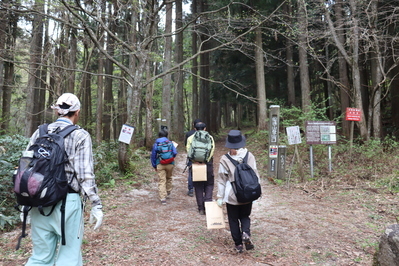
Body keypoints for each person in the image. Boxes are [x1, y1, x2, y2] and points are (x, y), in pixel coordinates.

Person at [25, 93, 103, 265]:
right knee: (69, 257)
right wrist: (96, 204)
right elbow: (85, 175)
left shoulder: (39, 132)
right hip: (68, 203)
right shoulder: (80, 135)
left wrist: (25, 201)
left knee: (39, 258)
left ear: (57, 112)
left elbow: (26, 166)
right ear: (77, 112)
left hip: (39, 201)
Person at [217, 130, 259, 253]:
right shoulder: (250, 156)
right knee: (245, 216)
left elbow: (222, 179)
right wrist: (256, 192)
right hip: (248, 192)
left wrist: (220, 196)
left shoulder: (225, 159)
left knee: (233, 219)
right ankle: (245, 233)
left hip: (232, 195)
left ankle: (238, 245)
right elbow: (255, 174)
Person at [186, 122, 215, 215]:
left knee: (198, 185)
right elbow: (212, 149)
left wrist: (195, 160)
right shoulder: (210, 138)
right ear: (205, 128)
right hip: (208, 164)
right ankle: (208, 203)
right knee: (209, 184)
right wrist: (206, 160)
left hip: (196, 164)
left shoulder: (191, 138)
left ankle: (201, 208)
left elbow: (188, 150)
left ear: (195, 128)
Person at [151, 129, 178, 205]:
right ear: (167, 135)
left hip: (160, 163)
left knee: (162, 180)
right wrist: (171, 158)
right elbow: (175, 152)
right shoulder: (170, 143)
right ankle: (168, 191)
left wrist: (154, 165)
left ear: (159, 136)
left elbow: (153, 155)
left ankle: (163, 198)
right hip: (170, 163)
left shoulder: (156, 144)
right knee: (169, 178)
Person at [184, 118, 202, 197]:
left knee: (191, 173)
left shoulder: (189, 134)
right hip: (202, 157)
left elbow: (186, 145)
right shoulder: (205, 134)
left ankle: (191, 189)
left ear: (193, 125)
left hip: (192, 156)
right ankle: (200, 189)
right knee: (202, 171)